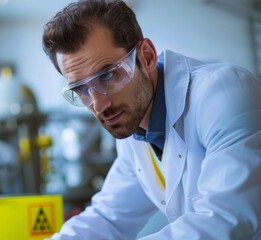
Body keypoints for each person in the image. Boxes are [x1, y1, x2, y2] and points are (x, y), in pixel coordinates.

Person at [42, 0, 261, 239]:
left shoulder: (224, 94)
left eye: (107, 75)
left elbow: (225, 219)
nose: (99, 105)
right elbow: (108, 217)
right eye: (81, 89)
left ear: (146, 56)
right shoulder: (134, 129)